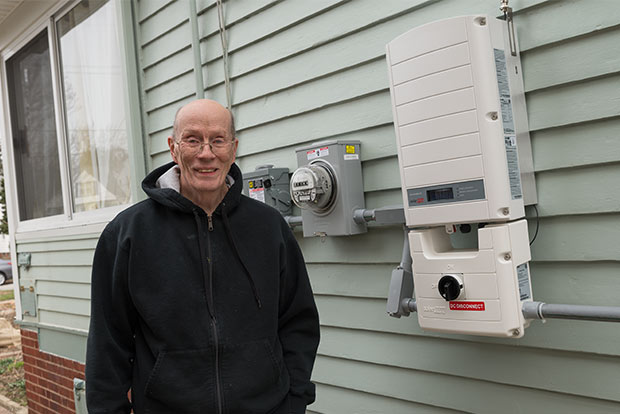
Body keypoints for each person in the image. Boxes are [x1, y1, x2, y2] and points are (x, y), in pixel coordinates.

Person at [86, 99, 320, 414]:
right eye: (193, 140)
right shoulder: (128, 234)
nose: (206, 153)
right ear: (173, 148)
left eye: (218, 140)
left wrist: (293, 403)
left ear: (233, 149)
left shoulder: (269, 227)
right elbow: (108, 341)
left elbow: (298, 321)